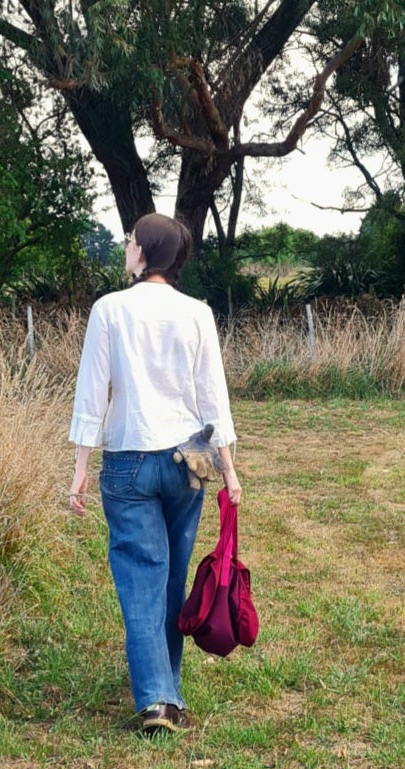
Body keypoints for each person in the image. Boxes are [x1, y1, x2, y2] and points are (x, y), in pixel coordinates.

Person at [68, 212, 242, 736]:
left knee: (142, 577)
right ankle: (168, 692)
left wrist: (79, 469)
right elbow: (214, 397)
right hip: (188, 462)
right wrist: (230, 471)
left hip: (128, 463)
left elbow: (91, 394)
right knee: (169, 577)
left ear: (144, 252)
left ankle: (158, 701)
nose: (125, 247)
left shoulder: (109, 310)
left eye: (129, 242)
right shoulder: (197, 313)